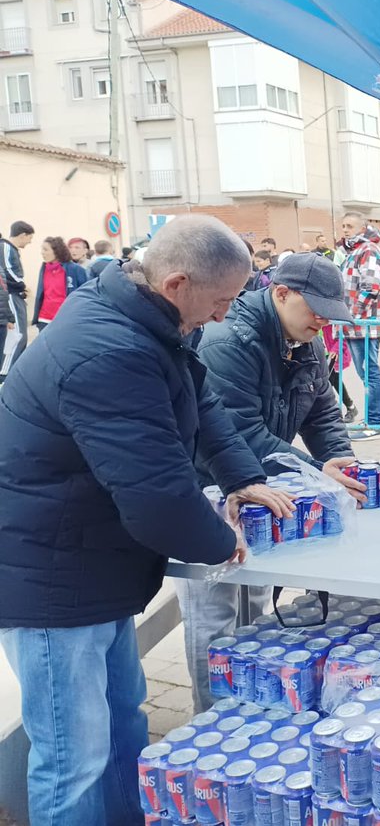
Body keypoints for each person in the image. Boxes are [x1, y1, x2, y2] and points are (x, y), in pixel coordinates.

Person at [0, 215, 292, 824]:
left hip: (94, 565)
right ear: (179, 282)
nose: (222, 317)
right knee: (73, 757)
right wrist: (220, 540)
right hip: (52, 576)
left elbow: (202, 402)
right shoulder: (110, 351)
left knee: (125, 723)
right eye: (221, 302)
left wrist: (245, 478)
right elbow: (157, 494)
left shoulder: (145, 316)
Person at [182, 252, 365, 711]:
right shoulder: (228, 341)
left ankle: (253, 705)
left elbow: (322, 409)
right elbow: (236, 431)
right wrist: (309, 469)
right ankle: (213, 721)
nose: (324, 321)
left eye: (330, 311)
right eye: (316, 308)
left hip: (266, 489)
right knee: (214, 614)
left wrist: (338, 460)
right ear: (280, 294)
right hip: (208, 492)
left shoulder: (307, 340)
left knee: (257, 602)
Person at [340, 211, 380, 436]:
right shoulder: (354, 251)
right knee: (365, 374)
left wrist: (353, 314)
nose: (345, 230)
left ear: (362, 228)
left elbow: (371, 286)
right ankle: (371, 420)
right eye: (343, 226)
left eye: (350, 226)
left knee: (370, 374)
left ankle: (375, 422)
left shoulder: (368, 250)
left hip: (364, 325)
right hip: (355, 325)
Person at [32, 236, 89, 330]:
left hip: (66, 318)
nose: (42, 252)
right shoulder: (44, 268)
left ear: (57, 251)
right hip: (44, 319)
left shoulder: (75, 269)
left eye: (45, 249)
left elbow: (85, 294)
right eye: (42, 249)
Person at [1, 220, 34, 369]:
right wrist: (23, 285)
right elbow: (7, 271)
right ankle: (6, 373)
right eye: (29, 238)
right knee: (17, 336)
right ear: (22, 235)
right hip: (12, 296)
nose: (30, 242)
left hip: (15, 295)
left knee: (19, 336)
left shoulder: (10, 249)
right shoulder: (6, 247)